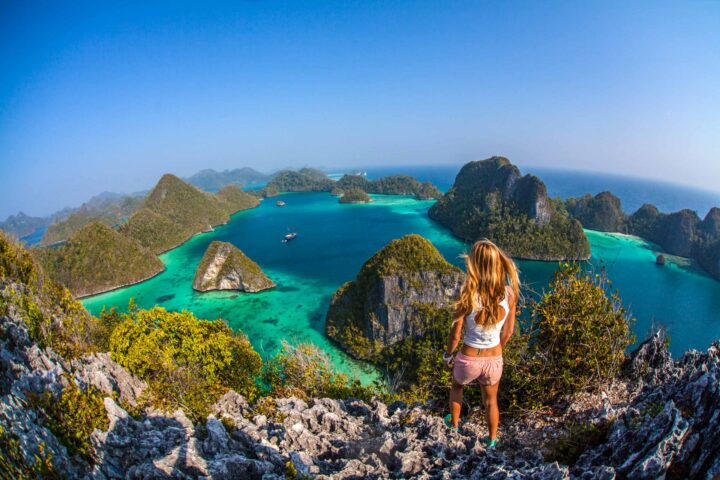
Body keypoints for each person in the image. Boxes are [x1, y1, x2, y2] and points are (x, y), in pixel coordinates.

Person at [442, 238, 519, 448]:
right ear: (497, 264)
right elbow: (509, 331)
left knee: (457, 386)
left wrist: (448, 356)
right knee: (491, 401)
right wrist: (496, 349)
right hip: (494, 359)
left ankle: (455, 424)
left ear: (474, 265)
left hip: (469, 358)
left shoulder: (468, 293)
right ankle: (492, 439)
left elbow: (455, 334)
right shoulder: (510, 294)